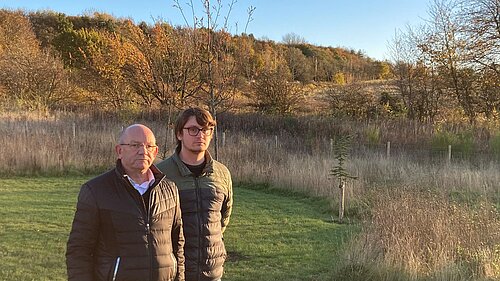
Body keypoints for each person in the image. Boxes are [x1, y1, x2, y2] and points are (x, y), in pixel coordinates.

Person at [66, 124, 185, 281]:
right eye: (135, 145)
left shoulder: (169, 190)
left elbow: (178, 244)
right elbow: (79, 250)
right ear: (119, 151)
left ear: (155, 151)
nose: (143, 151)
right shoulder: (96, 190)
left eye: (149, 146)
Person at [157, 107, 232, 281]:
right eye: (193, 129)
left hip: (212, 271)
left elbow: (223, 217)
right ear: (179, 134)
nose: (200, 135)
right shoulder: (160, 174)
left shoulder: (222, 173)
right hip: (175, 271)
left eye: (206, 130)